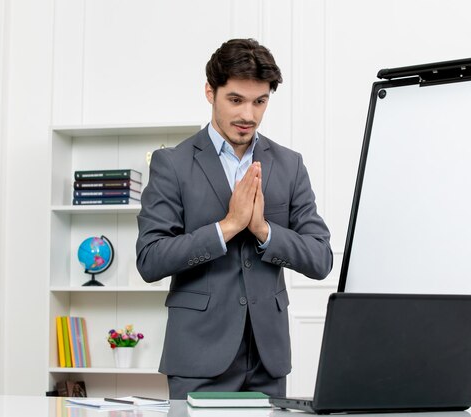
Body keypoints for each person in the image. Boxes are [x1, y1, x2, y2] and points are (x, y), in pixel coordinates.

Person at [135, 38, 333, 400]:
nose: (249, 116)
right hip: (197, 357)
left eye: (260, 102)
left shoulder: (290, 165)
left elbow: (321, 259)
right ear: (210, 92)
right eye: (236, 100)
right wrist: (227, 227)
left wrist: (262, 230)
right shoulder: (172, 164)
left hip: (267, 359)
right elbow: (150, 260)